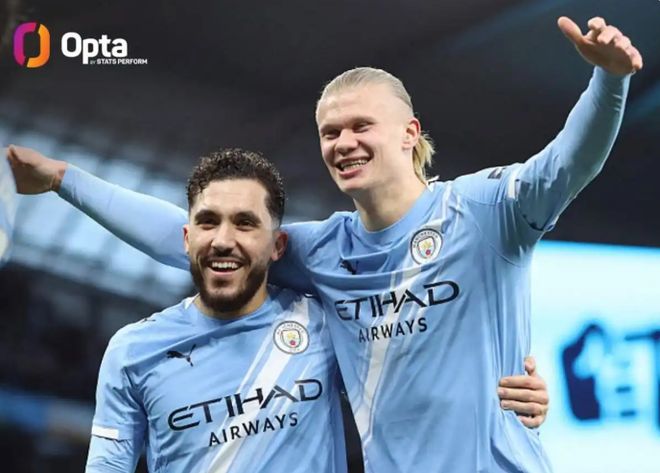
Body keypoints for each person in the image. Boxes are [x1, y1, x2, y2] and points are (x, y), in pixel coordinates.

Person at [9, 14, 639, 472]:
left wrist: (609, 81)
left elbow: (566, 164)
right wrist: (65, 180)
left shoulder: (482, 211)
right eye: (330, 132)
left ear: (409, 132)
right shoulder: (323, 251)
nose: (344, 143)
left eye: (361, 126)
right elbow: (193, 240)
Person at [84, 149, 347, 473]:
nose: (222, 240)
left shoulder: (325, 325)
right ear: (186, 239)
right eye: (208, 222)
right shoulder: (133, 351)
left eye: (245, 223)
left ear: (278, 245)